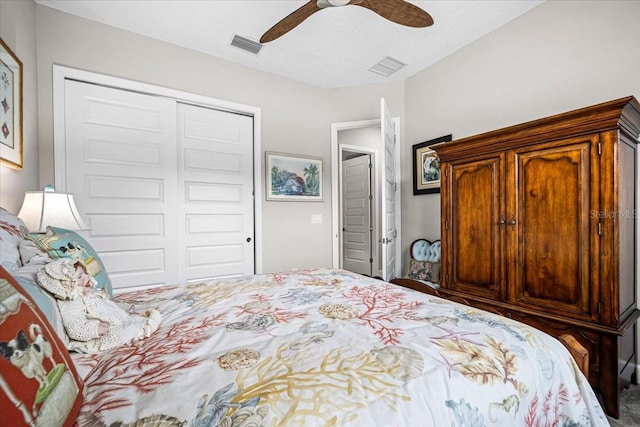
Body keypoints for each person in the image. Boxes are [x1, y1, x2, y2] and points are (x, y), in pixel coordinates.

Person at [37, 258, 161, 353]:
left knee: (132, 321)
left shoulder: (87, 294)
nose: (87, 277)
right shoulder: (71, 302)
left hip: (113, 322)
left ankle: (133, 321)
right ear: (66, 283)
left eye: (85, 273)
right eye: (80, 276)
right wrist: (95, 329)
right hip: (100, 335)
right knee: (126, 332)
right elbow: (75, 327)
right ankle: (142, 329)